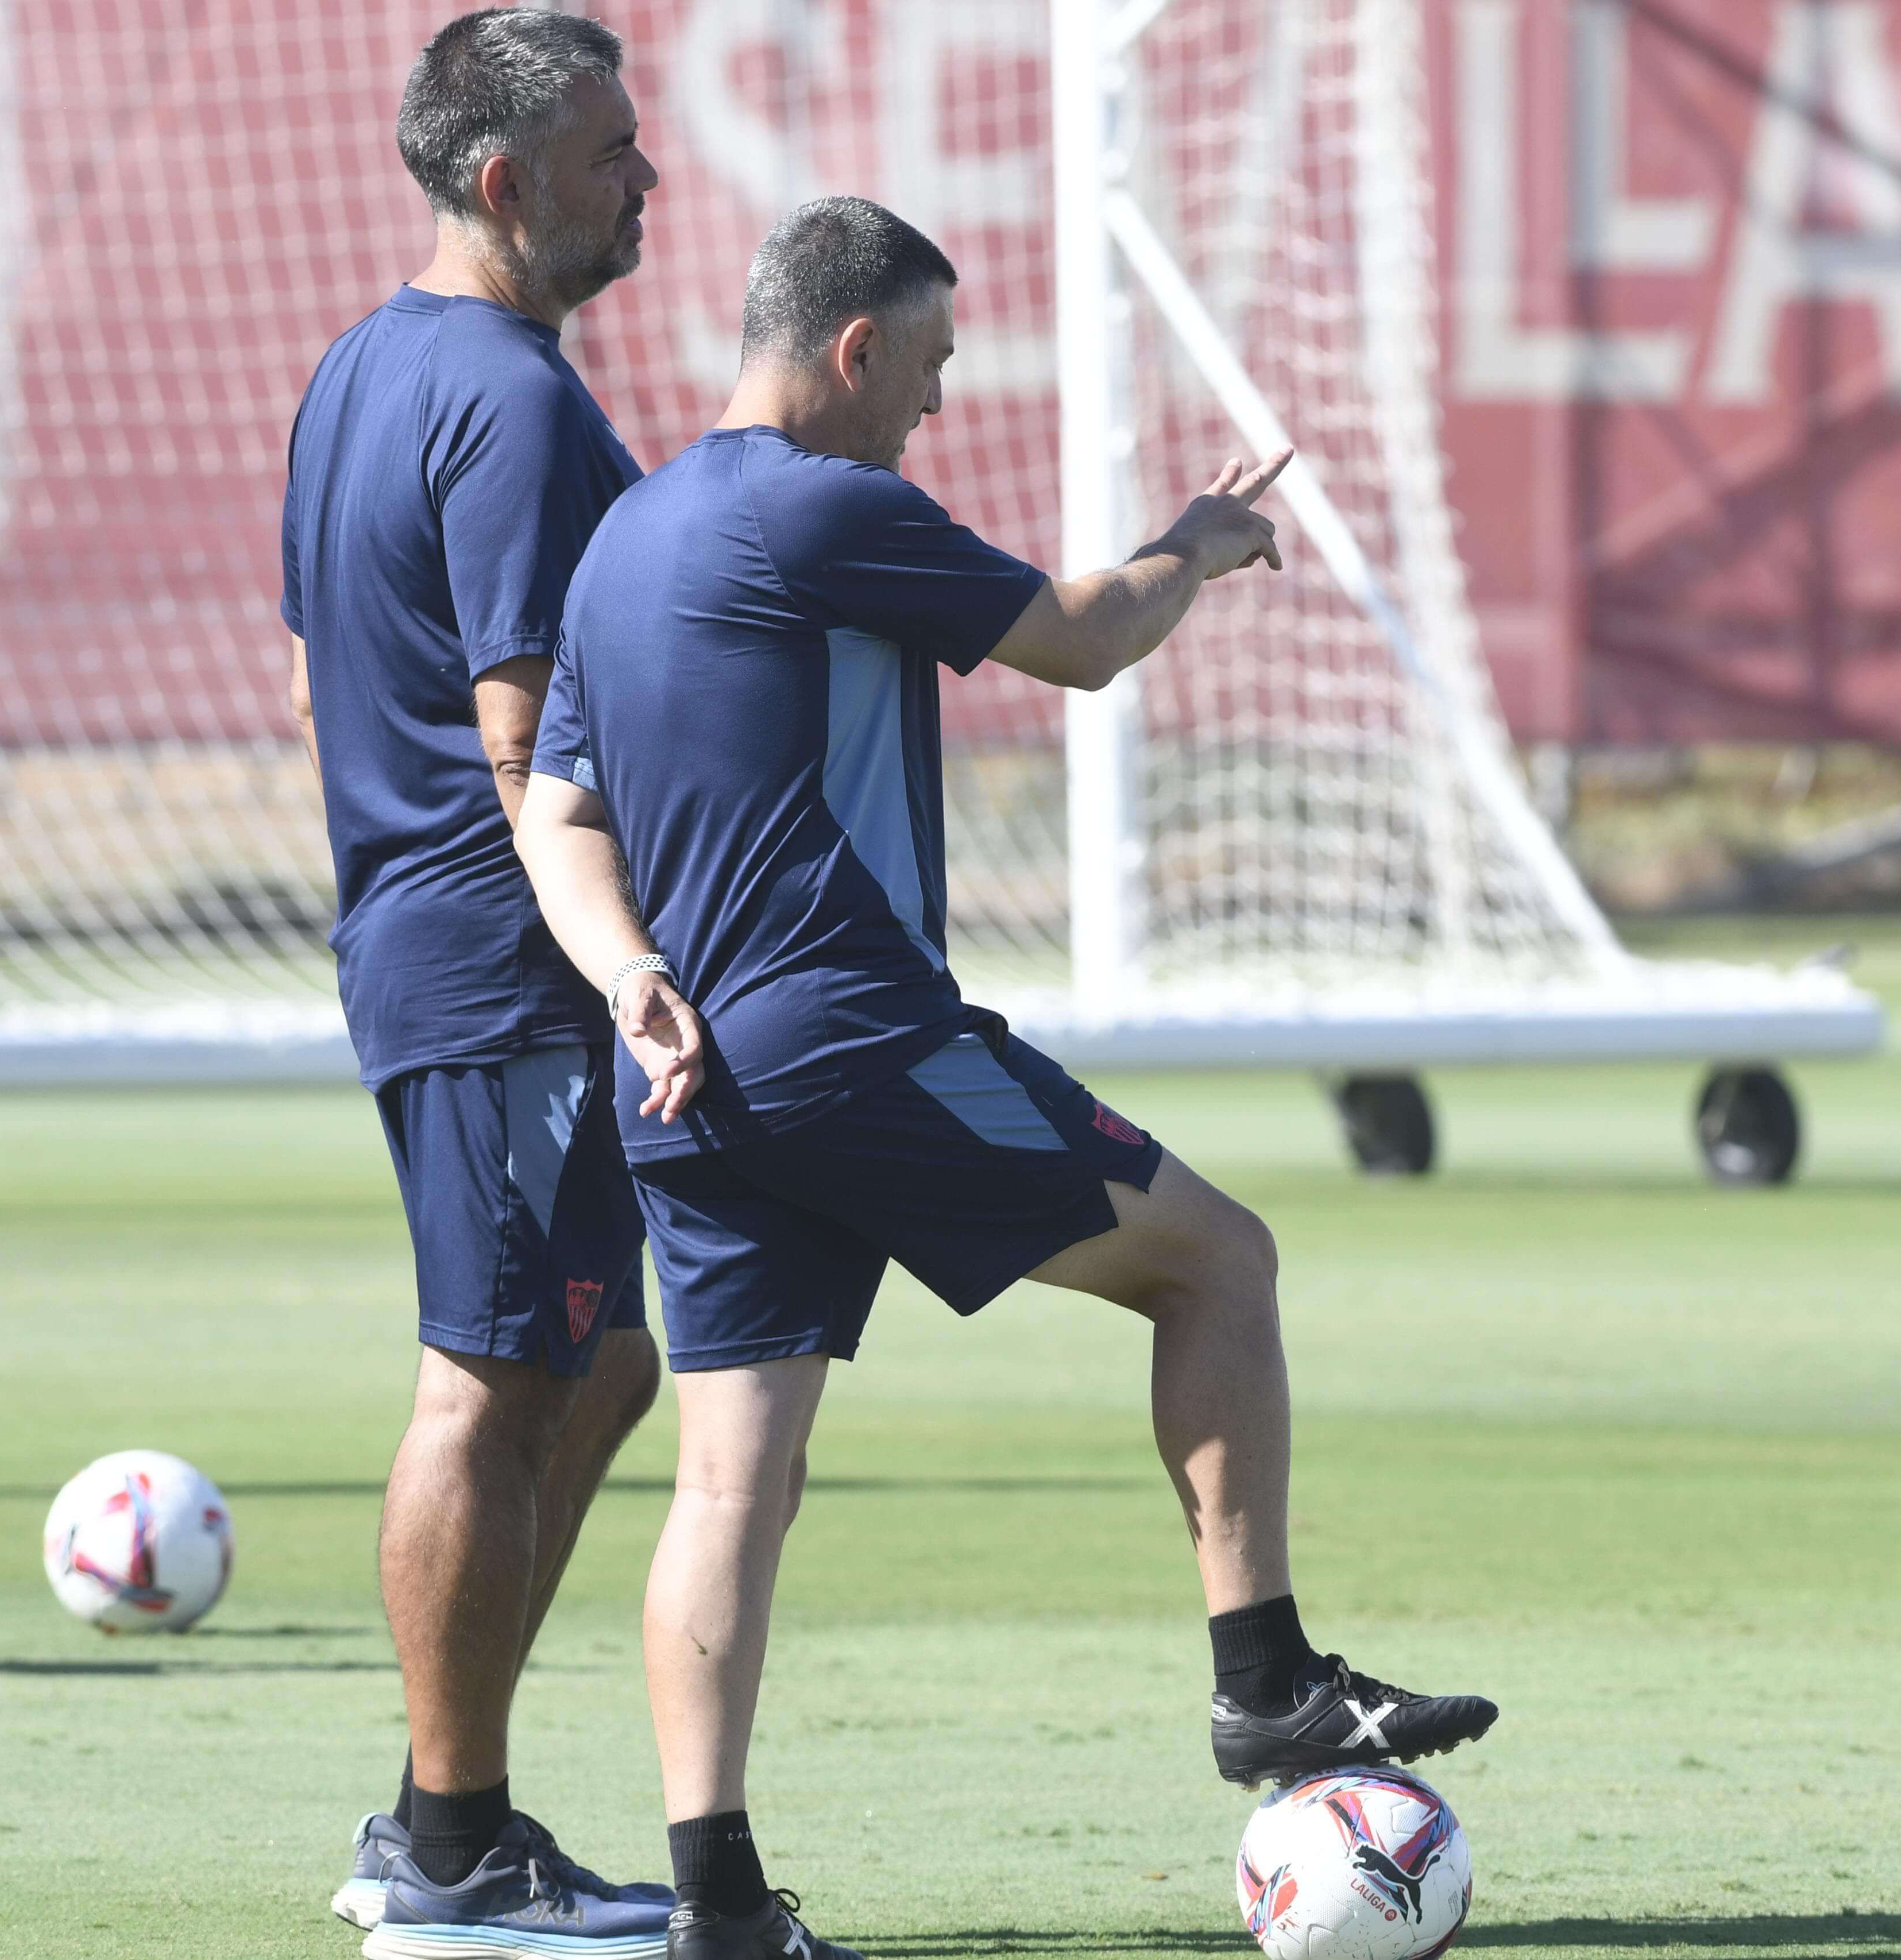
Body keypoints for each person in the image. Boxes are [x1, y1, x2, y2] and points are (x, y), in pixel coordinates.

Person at [515, 195, 1500, 1960]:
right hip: (858, 1042)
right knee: (1222, 1262)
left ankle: (717, 1905)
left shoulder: (623, 540)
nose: (936, 407)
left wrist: (630, 976)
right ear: (855, 349)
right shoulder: (827, 504)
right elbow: (1082, 637)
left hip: (685, 1081)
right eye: (931, 366)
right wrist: (1196, 543)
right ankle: (1267, 1685)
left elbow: (559, 816)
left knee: (732, 1487)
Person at [279, 11, 674, 1954]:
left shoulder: (362, 365)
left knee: (599, 1363)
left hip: (440, 942)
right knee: (496, 1374)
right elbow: (527, 742)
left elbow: (310, 680)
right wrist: (617, 953)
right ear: (508, 184)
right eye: (612, 154)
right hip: (505, 963)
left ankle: (443, 1806)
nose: (647, 180)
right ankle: (452, 1852)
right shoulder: (509, 399)